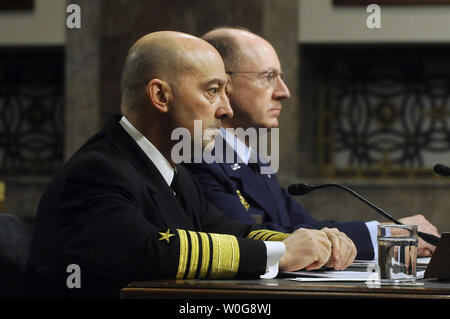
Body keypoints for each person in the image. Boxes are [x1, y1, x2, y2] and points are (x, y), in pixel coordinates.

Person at [27, 31, 356, 299]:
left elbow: (231, 231)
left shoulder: (174, 173)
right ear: (161, 96)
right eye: (212, 91)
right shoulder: (98, 171)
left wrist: (308, 242)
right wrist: (279, 254)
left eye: (226, 92)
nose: (225, 110)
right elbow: (151, 250)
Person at [183, 27, 440, 261]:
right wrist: (385, 234)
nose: (284, 91)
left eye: (280, 77)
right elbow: (249, 237)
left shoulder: (253, 159)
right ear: (224, 84)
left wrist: (387, 233)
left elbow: (306, 227)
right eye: (269, 76)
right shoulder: (196, 155)